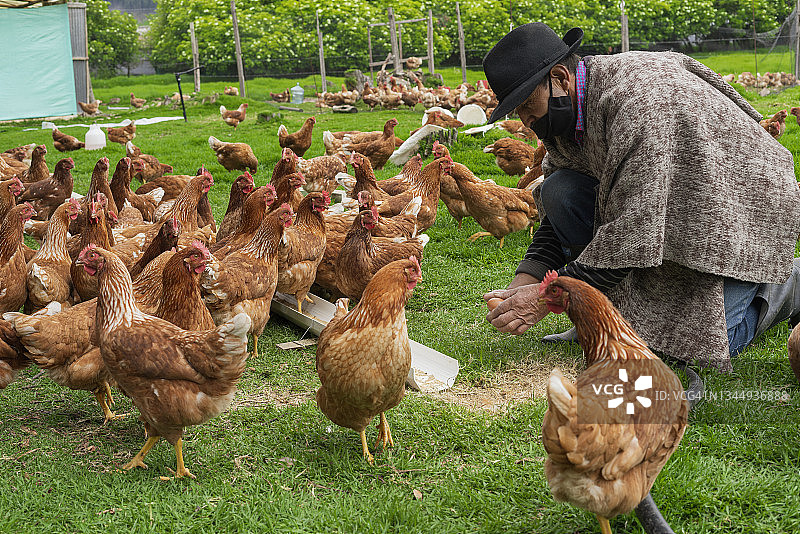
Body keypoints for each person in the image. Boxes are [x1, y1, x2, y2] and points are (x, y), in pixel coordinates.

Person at [481, 22, 800, 371]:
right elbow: (561, 219)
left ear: (560, 78)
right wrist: (521, 284)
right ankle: (605, 314)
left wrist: (546, 298)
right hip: (671, 203)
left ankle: (784, 286)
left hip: (735, 204)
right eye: (518, 111)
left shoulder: (639, 102)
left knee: (696, 349)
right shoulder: (565, 112)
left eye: (527, 104)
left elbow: (633, 231)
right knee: (559, 191)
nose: (526, 121)